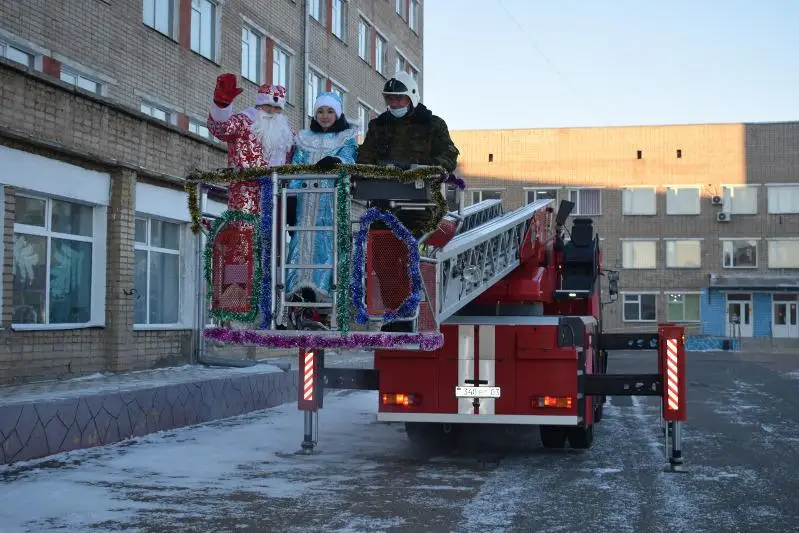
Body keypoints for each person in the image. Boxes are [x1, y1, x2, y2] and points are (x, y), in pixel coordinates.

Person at [284, 92, 358, 313]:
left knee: (327, 244)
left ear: (338, 113)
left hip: (331, 202)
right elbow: (295, 169)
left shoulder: (346, 138)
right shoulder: (304, 138)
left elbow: (350, 160)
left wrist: (336, 160)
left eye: (329, 111)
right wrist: (291, 199)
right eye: (320, 111)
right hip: (305, 203)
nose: (324, 116)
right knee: (301, 242)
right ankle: (298, 291)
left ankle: (325, 294)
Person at [206, 73, 294, 169]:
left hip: (278, 183)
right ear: (259, 105)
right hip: (243, 182)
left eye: (277, 108)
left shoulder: (288, 134)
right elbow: (221, 128)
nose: (271, 111)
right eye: (268, 105)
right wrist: (221, 104)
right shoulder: (243, 121)